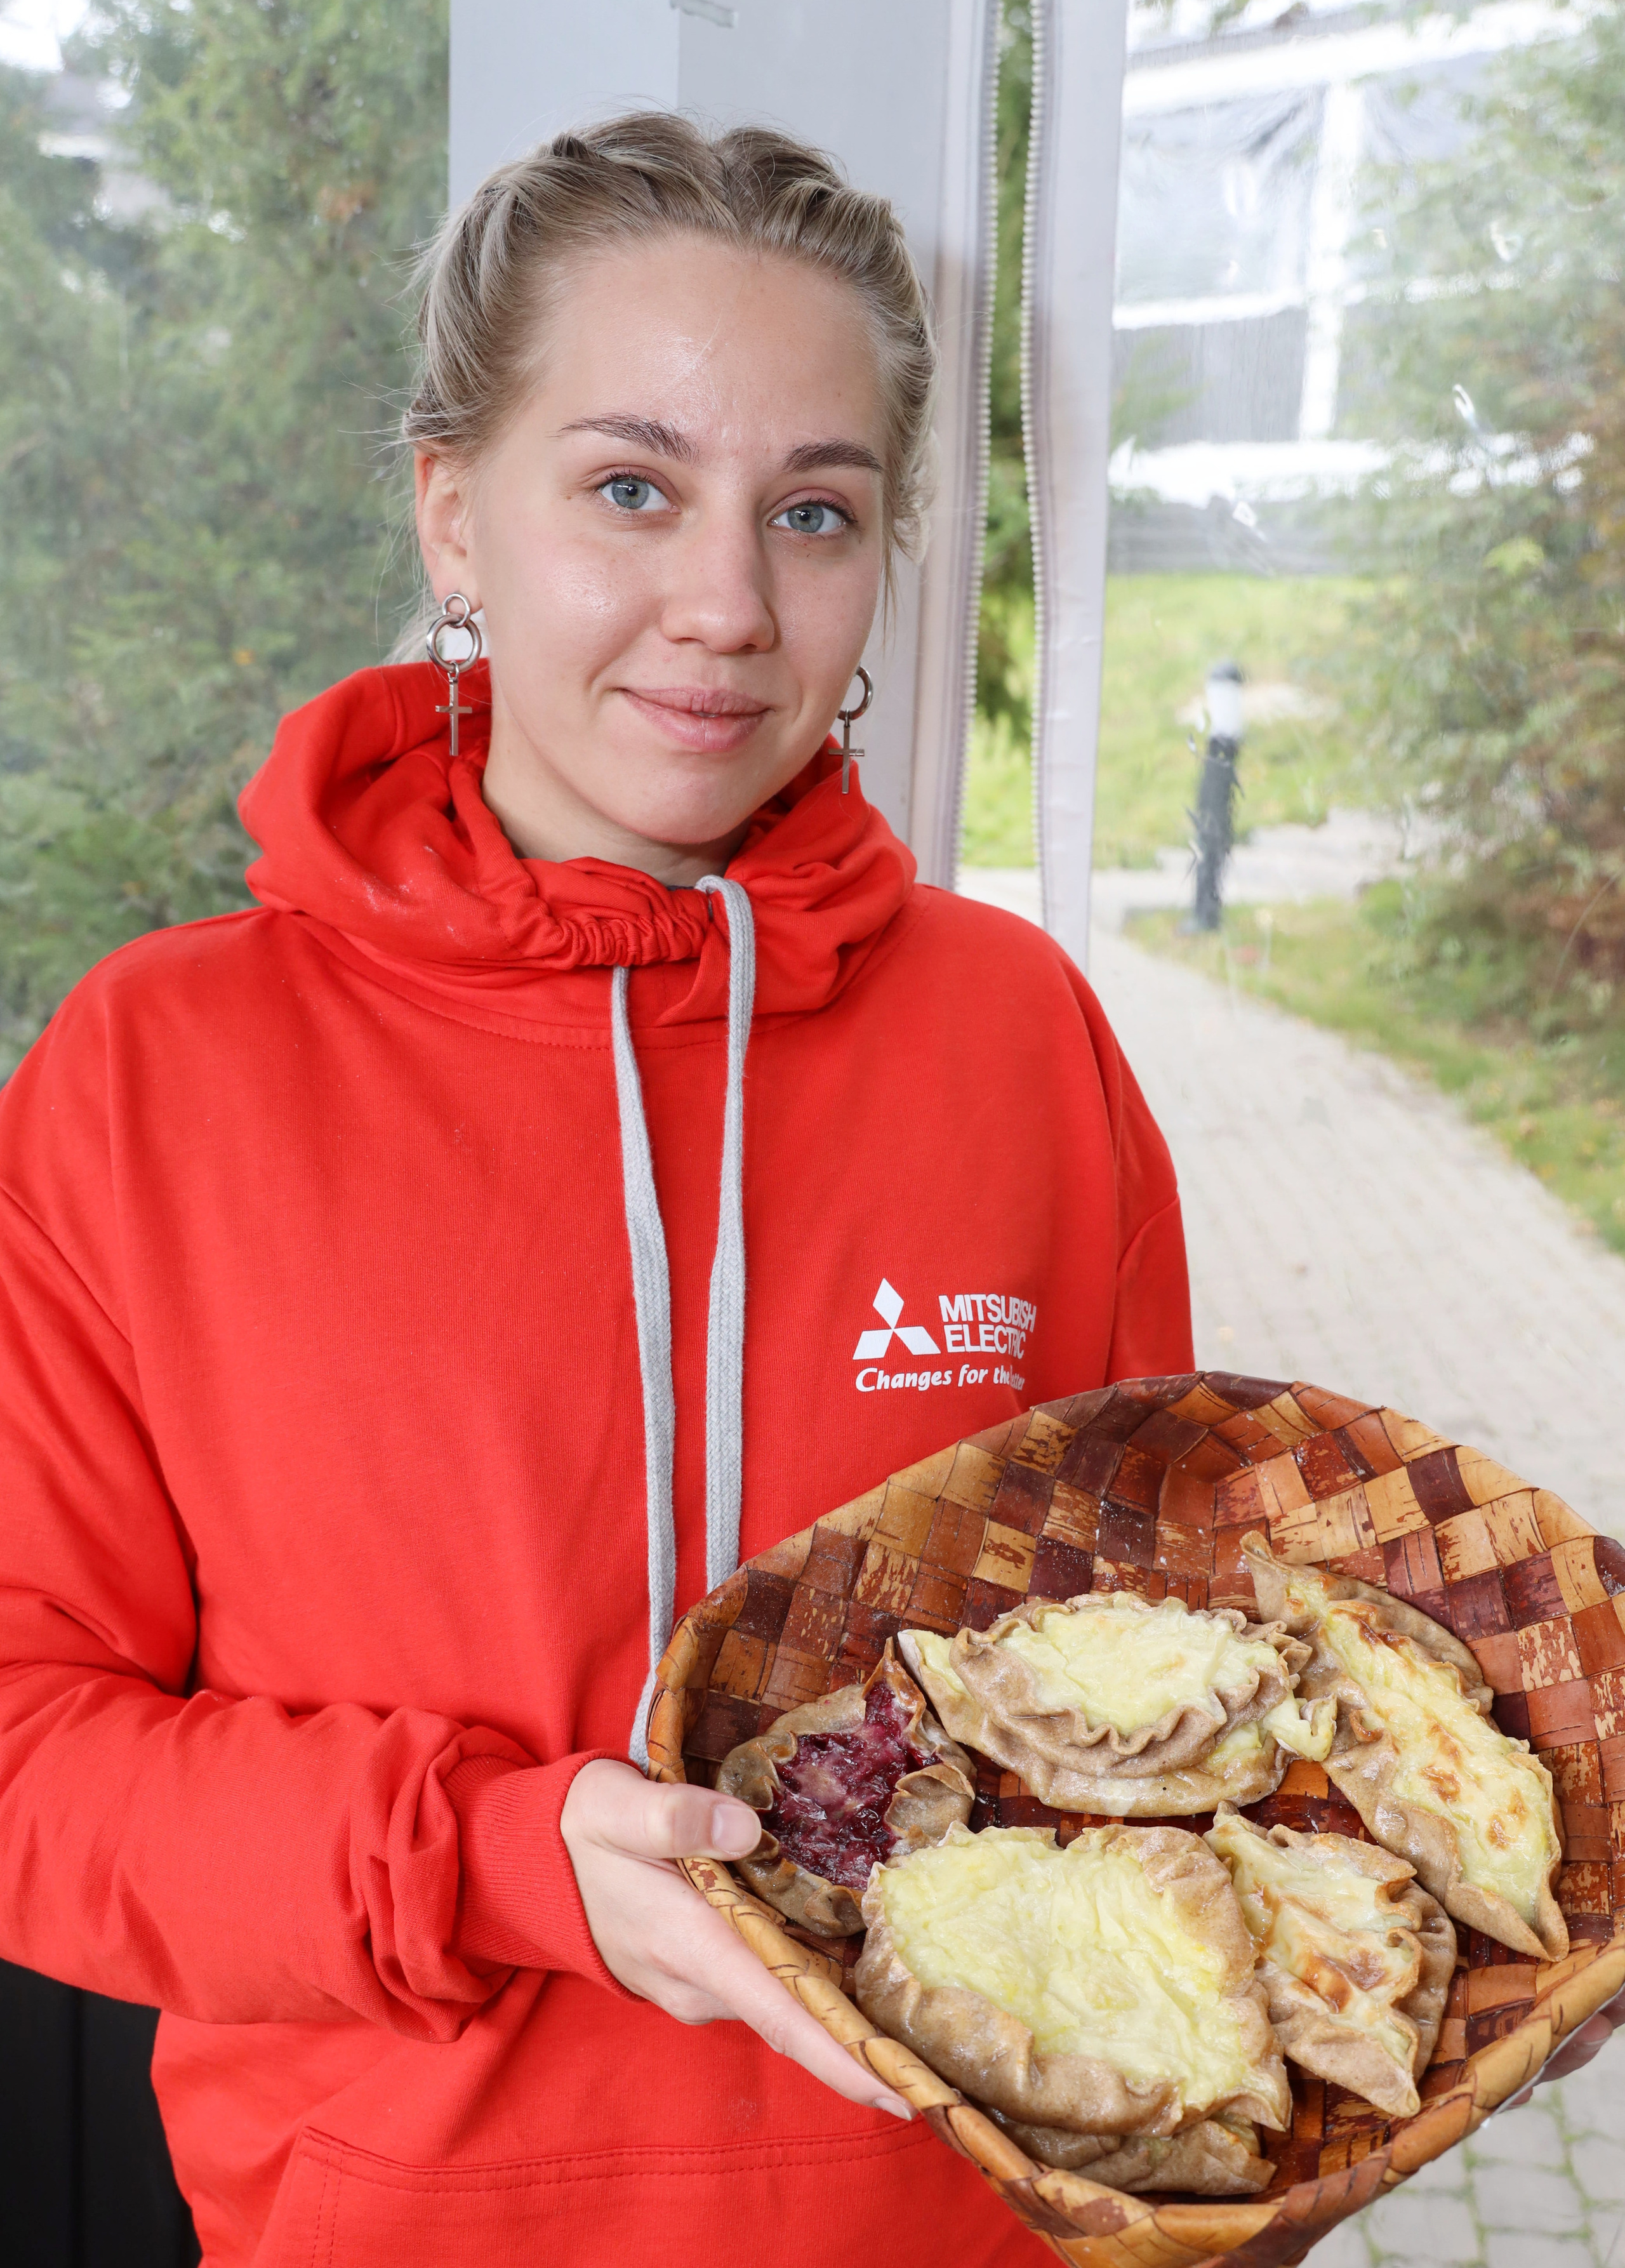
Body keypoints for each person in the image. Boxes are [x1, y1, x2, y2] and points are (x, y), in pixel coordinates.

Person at [0, 110, 1607, 2268]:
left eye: (817, 511)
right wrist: (492, 1859)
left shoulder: (1023, 1039)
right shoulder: (154, 1072)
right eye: (632, 487)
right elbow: (32, 1757)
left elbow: (1176, 1682)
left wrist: (1440, 1920)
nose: (729, 608)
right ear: (451, 508)